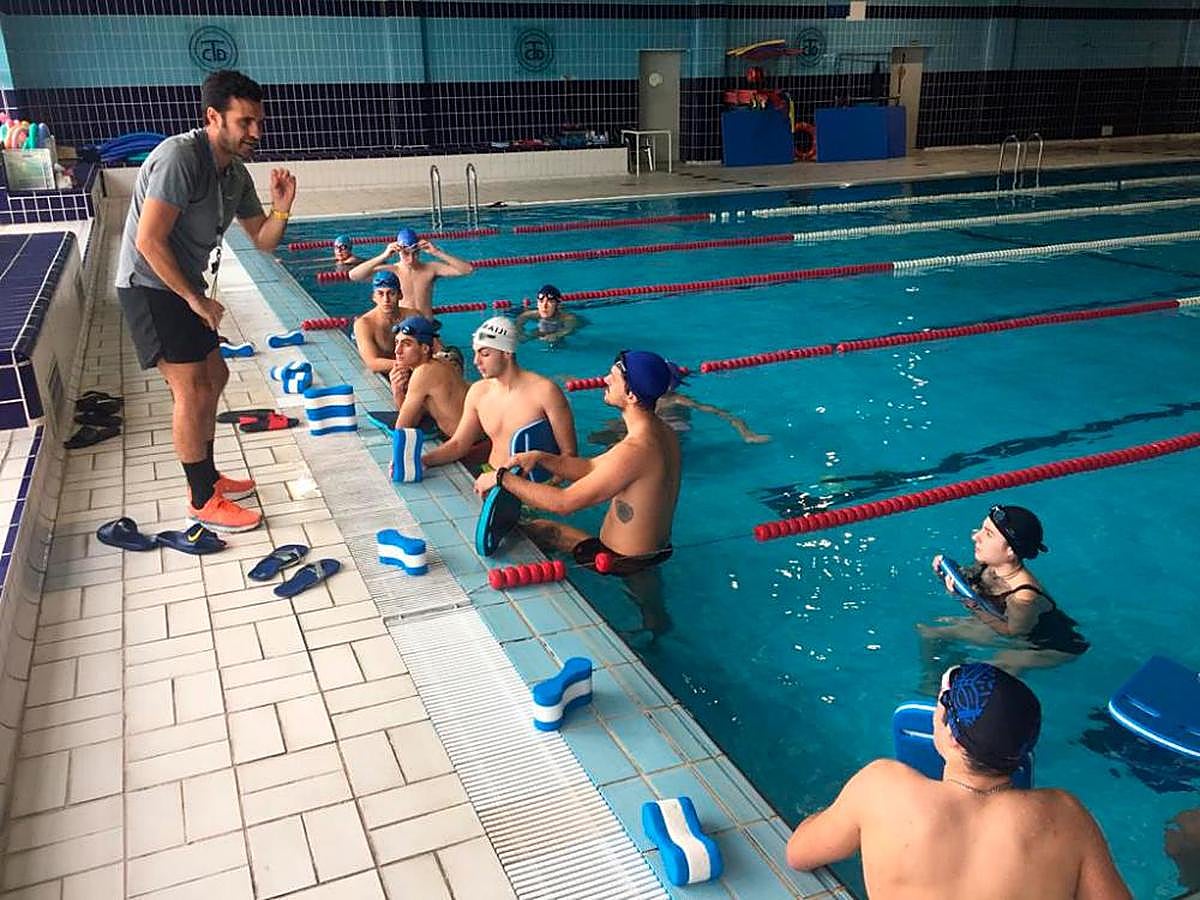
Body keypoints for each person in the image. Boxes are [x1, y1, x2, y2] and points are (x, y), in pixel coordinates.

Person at [115, 69, 296, 532]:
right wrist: (194, 299)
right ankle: (201, 498)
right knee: (192, 388)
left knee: (215, 375)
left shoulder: (234, 173)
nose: (256, 132)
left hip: (181, 285)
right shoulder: (180, 158)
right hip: (148, 285)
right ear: (213, 117)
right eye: (244, 122)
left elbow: (264, 240)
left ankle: (209, 477)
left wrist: (282, 206)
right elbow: (148, 241)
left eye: (258, 122)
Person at [786, 662, 1131, 900]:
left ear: (950, 735)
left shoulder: (881, 789)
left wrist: (849, 815)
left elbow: (799, 853)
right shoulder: (1065, 817)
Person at [474, 349, 681, 578]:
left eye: (613, 377)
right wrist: (541, 458)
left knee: (539, 532)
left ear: (631, 395)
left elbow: (564, 503)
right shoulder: (663, 433)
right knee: (544, 530)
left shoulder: (635, 451)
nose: (605, 380)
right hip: (653, 553)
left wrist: (501, 478)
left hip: (623, 564)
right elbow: (593, 468)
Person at [922, 504, 1089, 681]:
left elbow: (1011, 633)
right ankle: (931, 683)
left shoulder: (1024, 595)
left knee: (984, 675)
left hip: (1047, 647)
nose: (975, 536)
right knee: (931, 632)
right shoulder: (989, 564)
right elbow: (972, 583)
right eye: (981, 529)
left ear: (1010, 551)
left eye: (988, 534)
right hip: (1006, 623)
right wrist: (948, 573)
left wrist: (967, 601)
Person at [422, 316, 576, 472]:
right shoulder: (478, 392)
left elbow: (569, 455)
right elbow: (458, 445)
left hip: (534, 481)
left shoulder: (545, 392)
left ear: (507, 353)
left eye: (485, 354)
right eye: (476, 353)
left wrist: (553, 482)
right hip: (491, 472)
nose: (476, 361)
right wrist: (422, 462)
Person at [347, 226, 473, 319]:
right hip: (403, 329)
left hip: (427, 327)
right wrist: (384, 255)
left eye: (415, 253)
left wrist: (437, 252)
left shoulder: (431, 268)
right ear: (398, 252)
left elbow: (467, 269)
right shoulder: (391, 271)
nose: (411, 258)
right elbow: (354, 275)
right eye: (406, 253)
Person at [390, 316, 468, 438]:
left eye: (406, 344)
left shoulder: (423, 372)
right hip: (475, 435)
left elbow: (402, 429)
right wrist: (398, 391)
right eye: (396, 342)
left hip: (469, 443)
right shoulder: (439, 362)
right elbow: (416, 418)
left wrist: (395, 391)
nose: (397, 350)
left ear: (425, 348)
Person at [354, 270, 420, 375]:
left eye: (391, 293)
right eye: (380, 294)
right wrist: (414, 365)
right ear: (374, 297)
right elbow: (372, 363)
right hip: (384, 374)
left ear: (400, 295)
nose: (386, 300)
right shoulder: (364, 324)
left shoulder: (413, 316)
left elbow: (435, 347)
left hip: (409, 369)